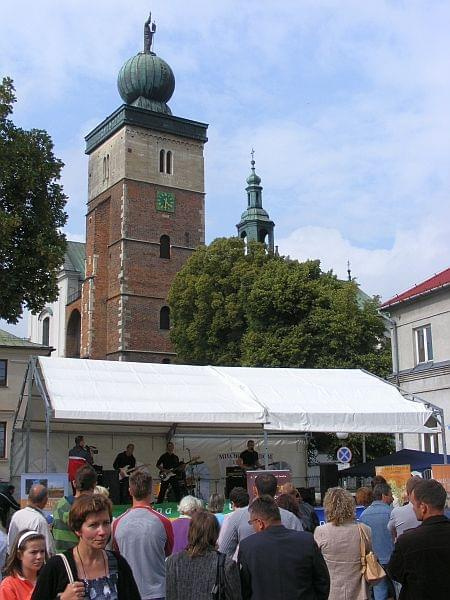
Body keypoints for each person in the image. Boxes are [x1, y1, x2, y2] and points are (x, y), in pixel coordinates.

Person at [32, 493, 140, 599]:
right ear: (78, 529)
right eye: (94, 525)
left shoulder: (118, 563)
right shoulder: (57, 567)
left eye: (106, 523)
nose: (102, 531)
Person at [238, 495, 329, 600]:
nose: (252, 526)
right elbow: (323, 581)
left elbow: (244, 589)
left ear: (260, 523)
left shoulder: (247, 547)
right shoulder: (306, 541)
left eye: (251, 523)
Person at [112, 470, 174, 599]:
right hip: (157, 591)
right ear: (151, 491)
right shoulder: (164, 521)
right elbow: (167, 552)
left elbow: (116, 552)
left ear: (130, 491)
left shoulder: (117, 523)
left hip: (129, 591)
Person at [387, 478, 450, 600]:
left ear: (423, 507)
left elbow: (394, 572)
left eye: (414, 504)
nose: (412, 508)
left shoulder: (407, 541)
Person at [218, 473, 302, 558]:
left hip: (248, 568)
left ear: (255, 490)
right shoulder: (290, 517)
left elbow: (224, 553)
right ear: (277, 490)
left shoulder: (238, 516)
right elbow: (301, 548)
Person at [166, 508, 242, 600]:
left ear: (191, 531)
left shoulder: (172, 562)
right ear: (216, 533)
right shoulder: (227, 565)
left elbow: (169, 594)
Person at [314, 487, 372, 600]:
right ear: (351, 506)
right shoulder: (365, 530)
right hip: (360, 592)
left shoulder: (320, 532)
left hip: (331, 592)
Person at [359, 482, 395, 600]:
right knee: (398, 588)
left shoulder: (364, 515)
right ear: (384, 496)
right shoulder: (391, 513)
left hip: (374, 560)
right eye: (390, 495)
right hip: (392, 558)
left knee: (379, 591)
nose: (392, 498)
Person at [52, 464, 97, 553]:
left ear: (74, 483)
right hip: (81, 559)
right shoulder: (91, 509)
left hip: (60, 558)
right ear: (95, 485)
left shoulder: (59, 505)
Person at [8, 485, 54, 556]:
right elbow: (49, 550)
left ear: (29, 497)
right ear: (45, 500)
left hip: (17, 560)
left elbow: (10, 543)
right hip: (34, 564)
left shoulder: (16, 515)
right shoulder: (40, 520)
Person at [0, 530, 46, 599]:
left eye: (42, 551)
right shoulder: (9, 585)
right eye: (33, 552)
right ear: (19, 555)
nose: (39, 556)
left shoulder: (49, 579)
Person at [387, 475, 421, 541]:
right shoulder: (431, 510)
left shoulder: (396, 512)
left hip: (403, 549)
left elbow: (391, 531)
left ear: (408, 493)